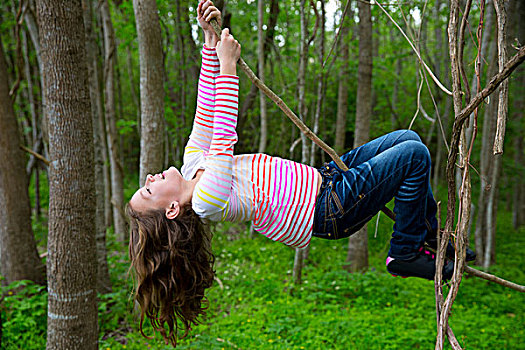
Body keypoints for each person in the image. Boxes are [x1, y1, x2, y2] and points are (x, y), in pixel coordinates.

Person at [126, 0, 474, 346]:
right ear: (171, 210)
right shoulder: (206, 201)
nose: (149, 179)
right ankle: (404, 251)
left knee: (406, 139)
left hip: (327, 178)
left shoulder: (192, 166)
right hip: (329, 208)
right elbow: (223, 137)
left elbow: (206, 108)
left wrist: (209, 43)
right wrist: (228, 68)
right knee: (414, 155)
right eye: (148, 191)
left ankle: (428, 236)